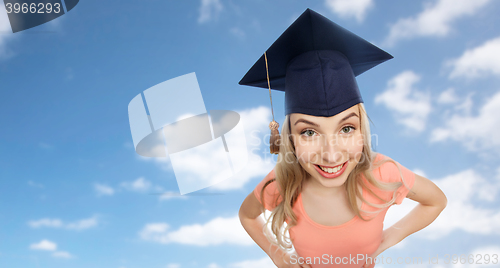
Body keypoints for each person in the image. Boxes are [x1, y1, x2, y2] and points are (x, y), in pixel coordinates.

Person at [238, 9, 447, 268]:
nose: (332, 154)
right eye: (309, 132)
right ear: (289, 138)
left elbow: (436, 200)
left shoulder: (382, 174)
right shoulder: (282, 184)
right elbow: (247, 216)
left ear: (362, 129)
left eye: (346, 128)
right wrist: (280, 258)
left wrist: (387, 239)